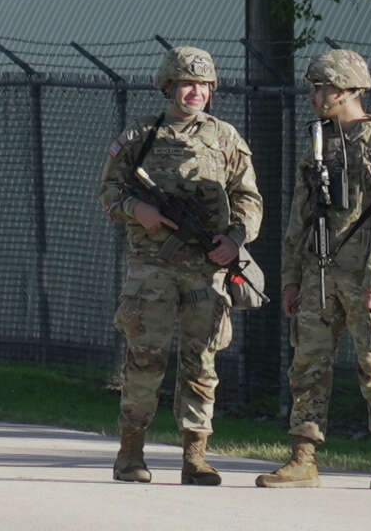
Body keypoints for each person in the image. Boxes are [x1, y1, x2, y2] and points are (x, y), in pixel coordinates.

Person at [99, 46, 263, 485]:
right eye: (187, 84)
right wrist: (139, 210)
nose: (196, 92)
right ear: (168, 86)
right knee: (144, 361)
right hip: (151, 271)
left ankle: (196, 457)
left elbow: (249, 199)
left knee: (202, 363)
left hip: (206, 273)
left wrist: (234, 239)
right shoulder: (138, 140)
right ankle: (131, 454)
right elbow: (109, 193)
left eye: (203, 85)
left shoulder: (225, 138)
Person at [255, 49, 371, 490]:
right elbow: (299, 217)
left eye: (322, 87)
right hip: (319, 276)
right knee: (307, 366)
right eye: (313, 87)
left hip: (366, 278)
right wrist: (291, 279)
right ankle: (303, 456)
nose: (314, 95)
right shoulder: (319, 142)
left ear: (349, 90)